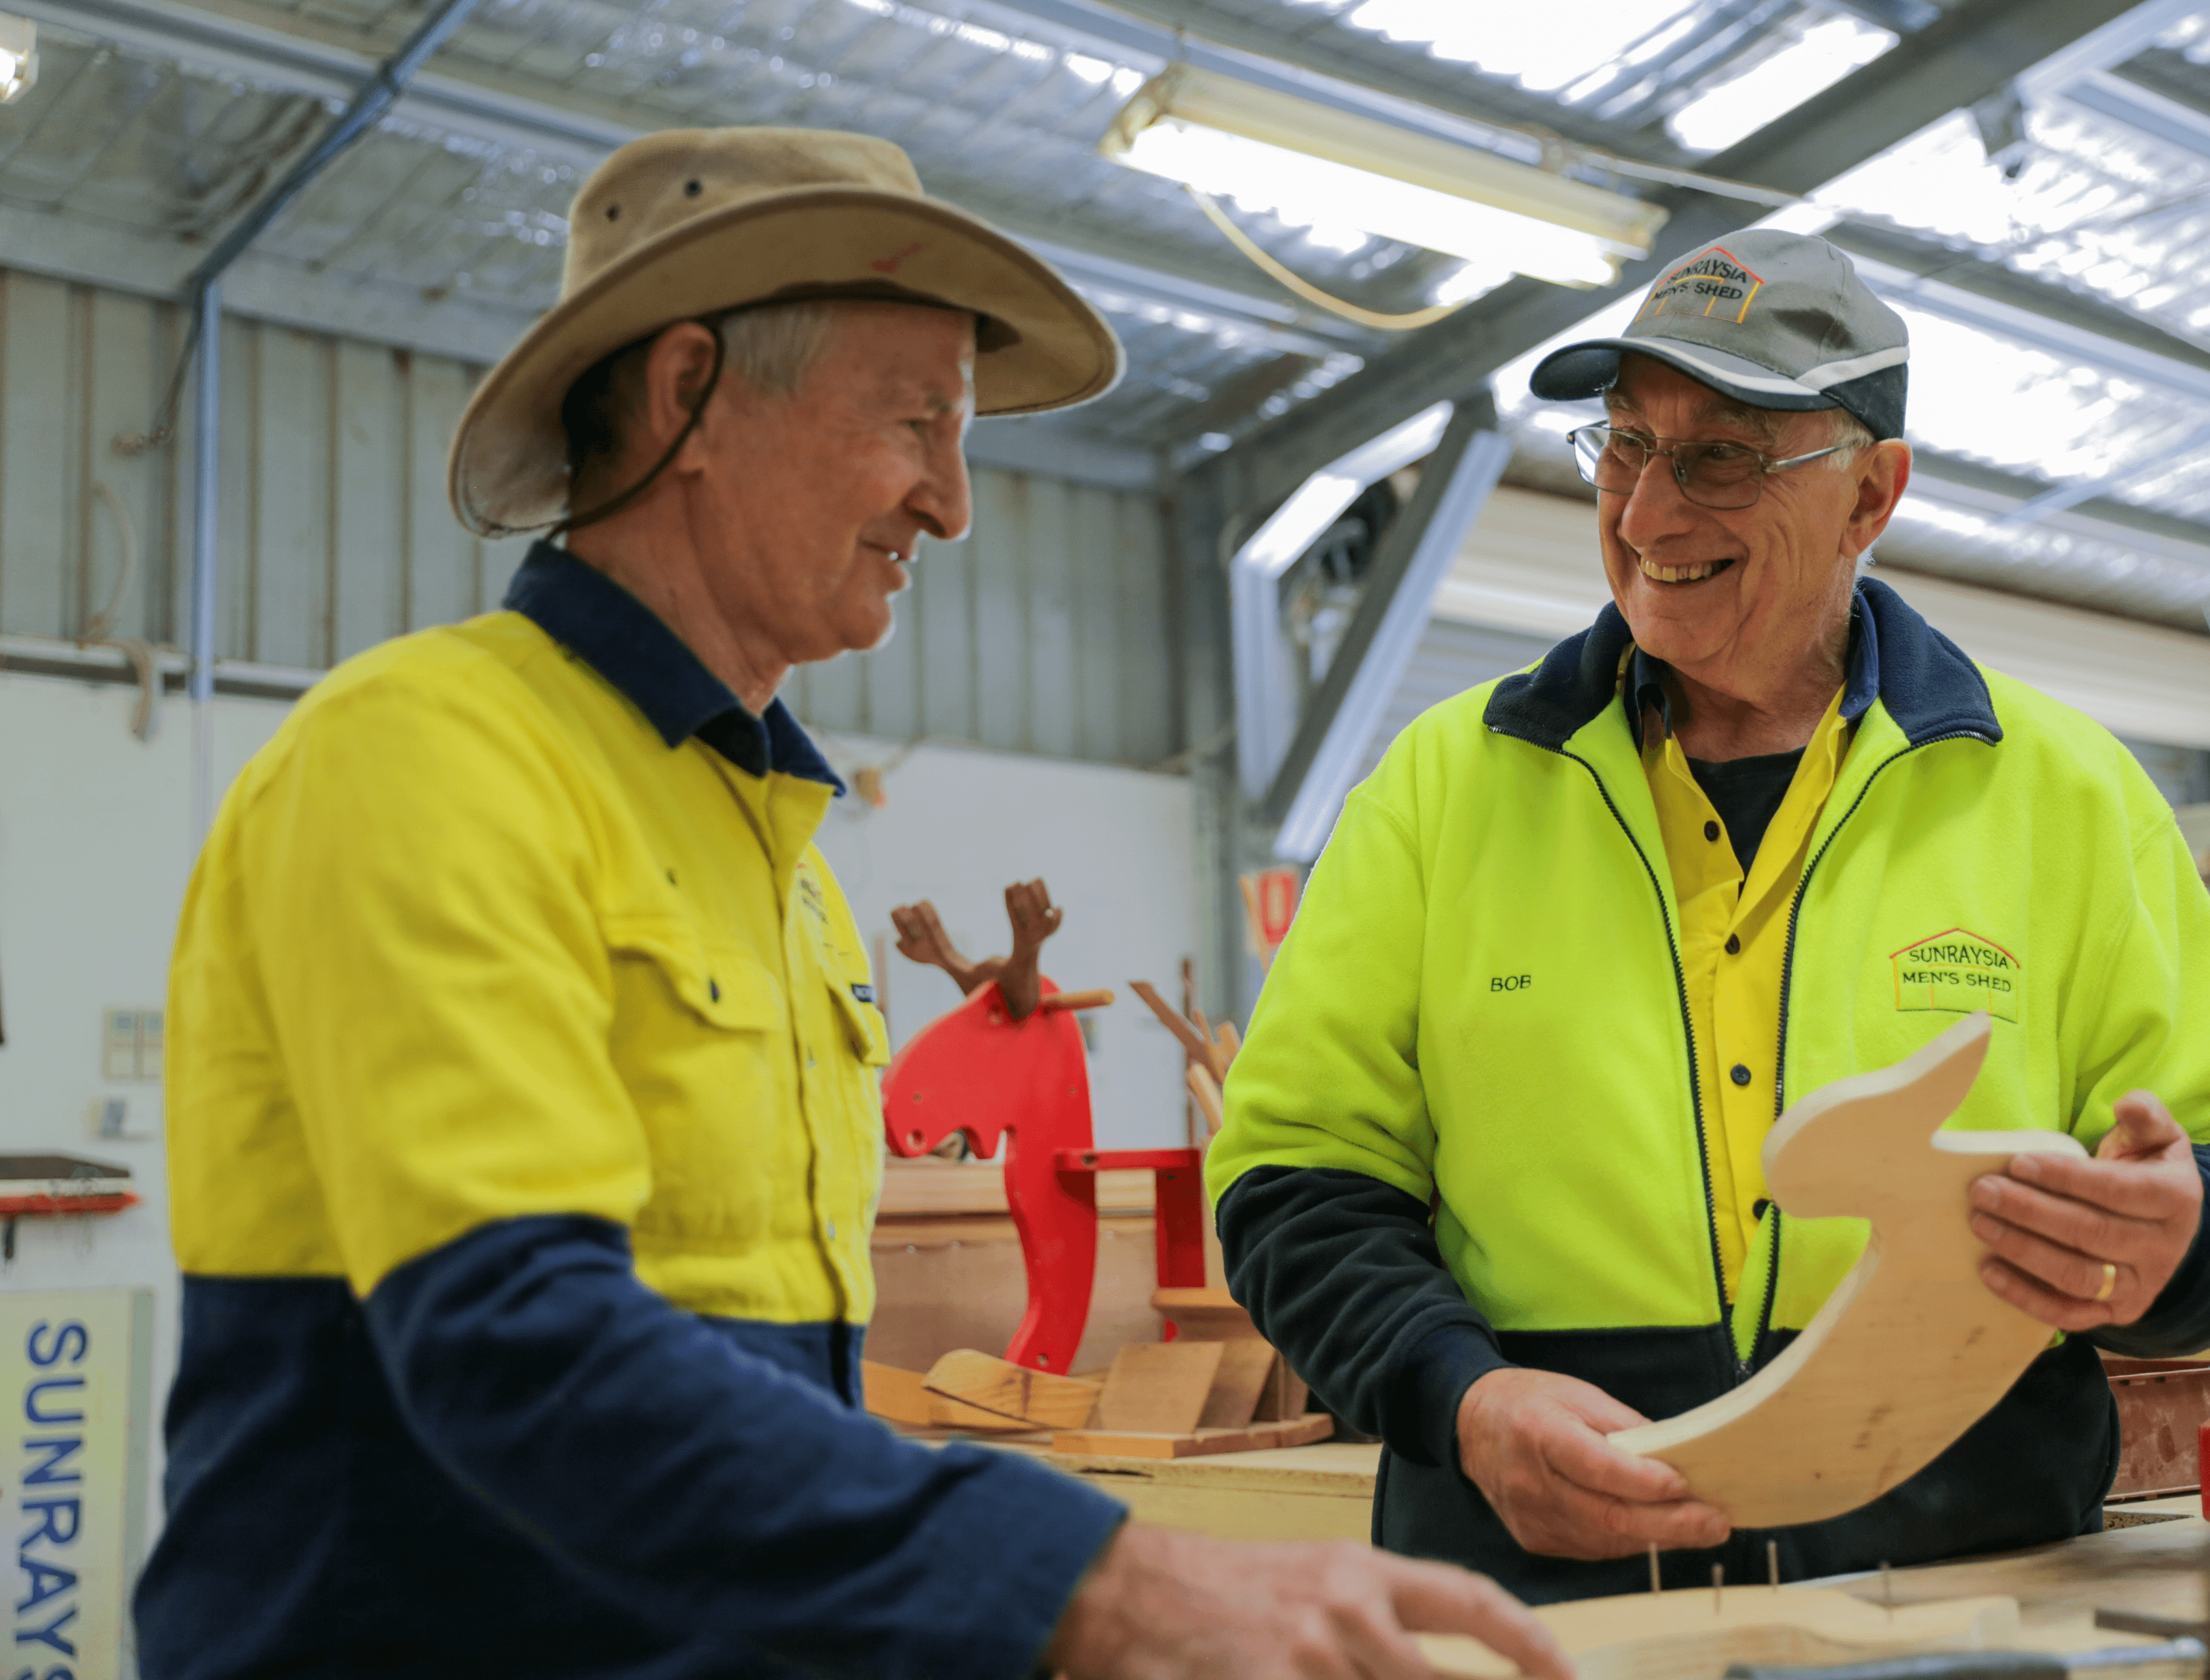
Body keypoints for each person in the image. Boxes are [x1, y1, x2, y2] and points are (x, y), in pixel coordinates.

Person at [137, 126, 1567, 1680]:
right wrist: (1082, 1580)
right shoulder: (431, 757)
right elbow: (511, 1342)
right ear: (689, 392)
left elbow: (763, 1403)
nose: (951, 505)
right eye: (916, 423)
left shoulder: (787, 860)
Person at [1206, 230, 2210, 1604]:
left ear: (1870, 493)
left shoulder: (2072, 801)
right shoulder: (1440, 792)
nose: (1649, 515)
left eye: (1723, 456)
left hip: (1953, 1611)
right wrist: (1460, 1396)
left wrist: (2172, 1239)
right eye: (1624, 446)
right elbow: (1291, 1180)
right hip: (1538, 1608)